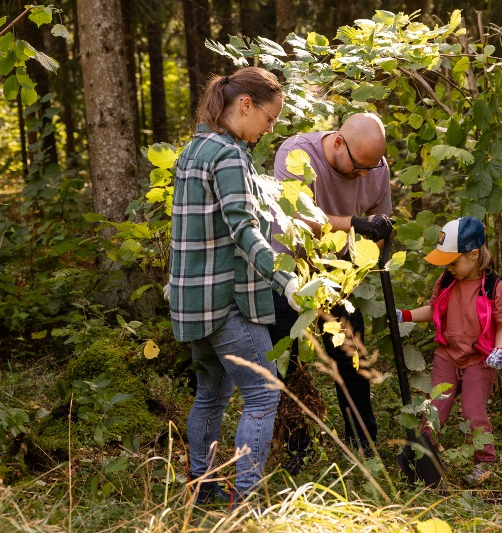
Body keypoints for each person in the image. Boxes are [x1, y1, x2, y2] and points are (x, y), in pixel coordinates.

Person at [168, 66, 300, 504]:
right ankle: (246, 499)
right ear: (245, 104)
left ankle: (202, 489)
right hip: (226, 302)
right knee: (264, 393)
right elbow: (244, 230)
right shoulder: (228, 155)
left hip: (192, 303)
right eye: (270, 117)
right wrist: (285, 280)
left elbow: (186, 230)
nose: (270, 128)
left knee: (212, 392)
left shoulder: (192, 150)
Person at [269, 113, 394, 474]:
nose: (364, 177)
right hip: (289, 272)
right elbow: (296, 217)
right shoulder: (296, 154)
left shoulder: (374, 167)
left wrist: (372, 245)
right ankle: (297, 448)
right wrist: (355, 223)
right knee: (288, 362)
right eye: (357, 168)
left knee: (351, 359)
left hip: (339, 274)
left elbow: (381, 223)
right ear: (338, 142)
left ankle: (361, 443)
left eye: (372, 168)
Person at [395, 217, 502, 486]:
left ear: (473, 254)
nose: (449, 267)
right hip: (446, 355)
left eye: (453, 261)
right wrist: (405, 315)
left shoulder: (495, 288)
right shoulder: (447, 281)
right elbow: (432, 309)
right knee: (434, 410)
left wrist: (500, 350)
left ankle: (485, 462)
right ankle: (422, 459)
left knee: (473, 412)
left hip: (478, 360)